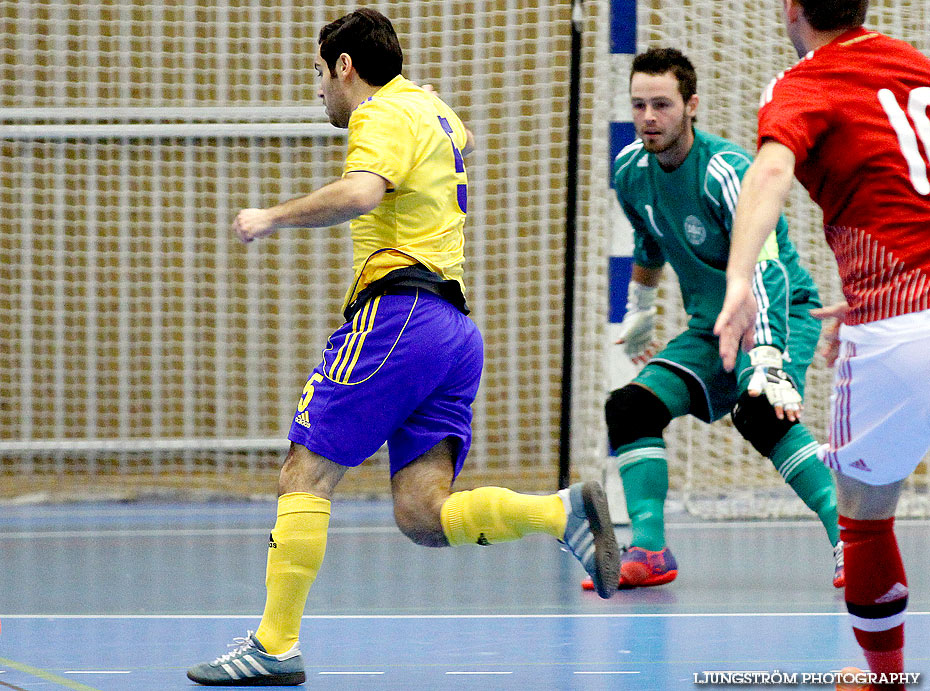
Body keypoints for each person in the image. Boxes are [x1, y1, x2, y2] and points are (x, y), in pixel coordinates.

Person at [186, 8, 620, 686]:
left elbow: (361, 192)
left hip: (398, 313)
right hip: (453, 332)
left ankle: (273, 645)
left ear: (345, 67)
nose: (320, 90)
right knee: (423, 511)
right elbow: (464, 141)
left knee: (306, 469)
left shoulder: (379, 114)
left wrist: (270, 216)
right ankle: (556, 511)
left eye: (320, 75)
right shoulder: (429, 108)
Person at [714, 0, 930, 688]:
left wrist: (740, 279)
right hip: (897, 308)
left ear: (792, 9)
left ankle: (888, 677)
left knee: (864, 513)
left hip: (900, 326)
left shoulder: (804, 81)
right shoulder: (917, 67)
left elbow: (771, 172)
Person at [584, 47, 843, 592]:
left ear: (691, 106)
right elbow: (649, 244)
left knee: (760, 411)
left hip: (779, 308)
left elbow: (766, 266)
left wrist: (766, 356)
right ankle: (650, 550)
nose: (649, 117)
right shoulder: (631, 170)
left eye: (662, 104)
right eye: (639, 105)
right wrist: (641, 310)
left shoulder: (727, 171)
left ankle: (850, 541)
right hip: (712, 324)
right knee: (630, 408)